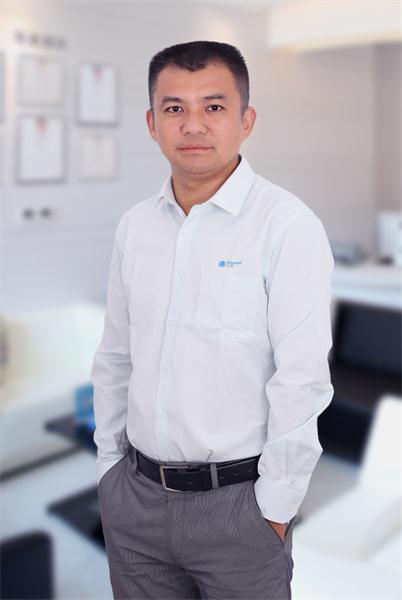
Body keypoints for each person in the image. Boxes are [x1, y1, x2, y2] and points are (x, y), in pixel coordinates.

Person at [91, 40, 334, 600]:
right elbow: (116, 357)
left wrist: (275, 508)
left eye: (214, 106)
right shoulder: (135, 227)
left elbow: (301, 379)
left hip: (239, 509)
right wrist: (109, 470)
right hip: (135, 500)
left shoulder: (287, 225)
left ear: (246, 121)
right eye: (175, 108)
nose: (193, 124)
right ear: (152, 123)